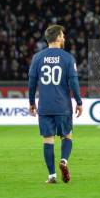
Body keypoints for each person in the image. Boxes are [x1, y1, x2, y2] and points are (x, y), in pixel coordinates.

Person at [28, 24, 83, 184]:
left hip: (45, 106)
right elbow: (74, 82)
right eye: (63, 35)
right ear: (58, 38)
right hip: (63, 106)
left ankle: (52, 176)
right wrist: (79, 102)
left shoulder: (37, 58)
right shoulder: (67, 58)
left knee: (48, 140)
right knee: (67, 136)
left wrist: (32, 102)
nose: (64, 37)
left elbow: (32, 82)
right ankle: (64, 160)